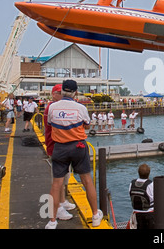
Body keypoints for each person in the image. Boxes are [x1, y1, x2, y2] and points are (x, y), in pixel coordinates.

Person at [46, 79, 103, 229]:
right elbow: (87, 124)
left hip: (59, 147)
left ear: (62, 91)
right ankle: (96, 215)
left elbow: (50, 124)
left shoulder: (52, 107)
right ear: (75, 92)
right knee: (87, 181)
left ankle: (52, 221)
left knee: (56, 184)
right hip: (78, 146)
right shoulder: (80, 108)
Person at [43, 84, 76, 221]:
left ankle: (62, 201)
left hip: (62, 147)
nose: (63, 95)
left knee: (64, 178)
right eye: (60, 92)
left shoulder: (55, 108)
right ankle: (56, 210)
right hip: (56, 147)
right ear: (54, 94)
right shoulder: (52, 108)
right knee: (57, 181)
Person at [129, 163, 154, 229]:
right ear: (149, 174)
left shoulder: (132, 183)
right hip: (149, 213)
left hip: (136, 214)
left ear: (138, 173)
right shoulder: (150, 184)